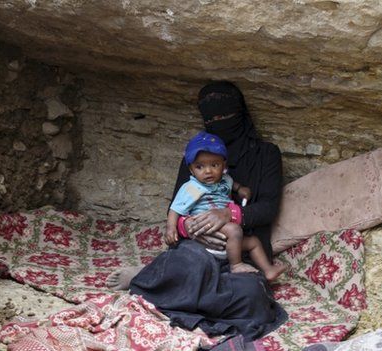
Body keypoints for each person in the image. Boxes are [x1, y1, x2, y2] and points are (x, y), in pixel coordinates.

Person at [106, 81, 286, 341]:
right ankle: (146, 277)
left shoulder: (266, 154)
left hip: (241, 252)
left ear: (242, 113)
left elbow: (268, 208)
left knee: (252, 296)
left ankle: (160, 280)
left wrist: (230, 216)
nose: (220, 122)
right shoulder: (194, 157)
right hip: (199, 245)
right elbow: (177, 205)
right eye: (212, 118)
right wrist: (187, 227)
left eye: (226, 115)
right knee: (190, 261)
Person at [166, 130, 287, 280]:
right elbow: (175, 208)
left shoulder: (225, 179)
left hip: (228, 241)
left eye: (214, 165)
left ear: (224, 165)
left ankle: (268, 270)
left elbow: (232, 184)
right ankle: (236, 265)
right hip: (205, 232)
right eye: (200, 167)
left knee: (254, 242)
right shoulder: (192, 187)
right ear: (191, 169)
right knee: (235, 230)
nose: (208, 171)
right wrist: (171, 228)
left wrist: (240, 189)